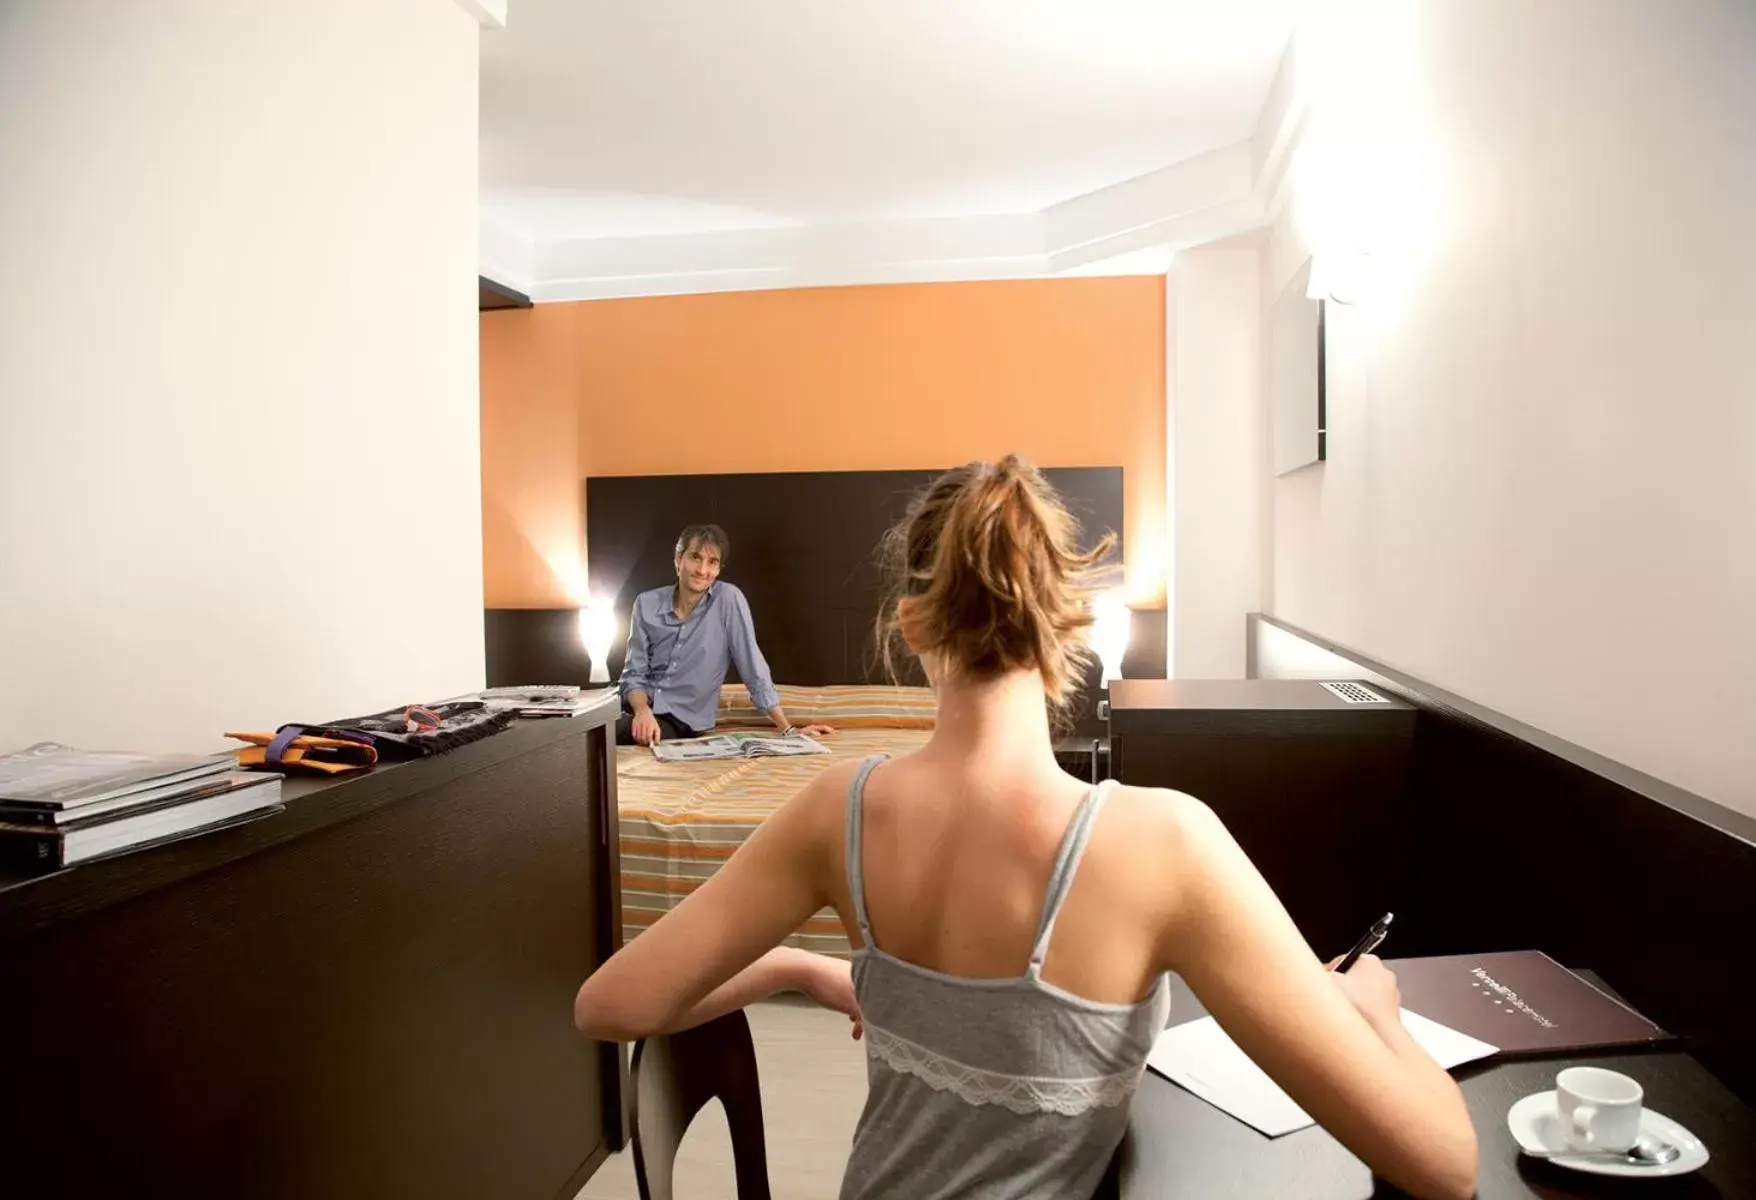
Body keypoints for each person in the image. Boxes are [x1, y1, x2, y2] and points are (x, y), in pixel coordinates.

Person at [575, 460, 1478, 1200]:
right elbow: (1443, 1165)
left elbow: (608, 1005)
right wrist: (1375, 1015)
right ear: (1068, 623)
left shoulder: (837, 808)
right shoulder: (1168, 843)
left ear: (913, 623)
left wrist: (794, 965)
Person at [616, 523, 833, 747]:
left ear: (719, 569)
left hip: (679, 719)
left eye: (712, 562)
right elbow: (634, 673)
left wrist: (787, 729)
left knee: (600, 735)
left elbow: (752, 666)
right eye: (695, 557)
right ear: (678, 559)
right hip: (632, 705)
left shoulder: (728, 600)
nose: (702, 570)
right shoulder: (646, 604)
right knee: (582, 721)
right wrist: (642, 711)